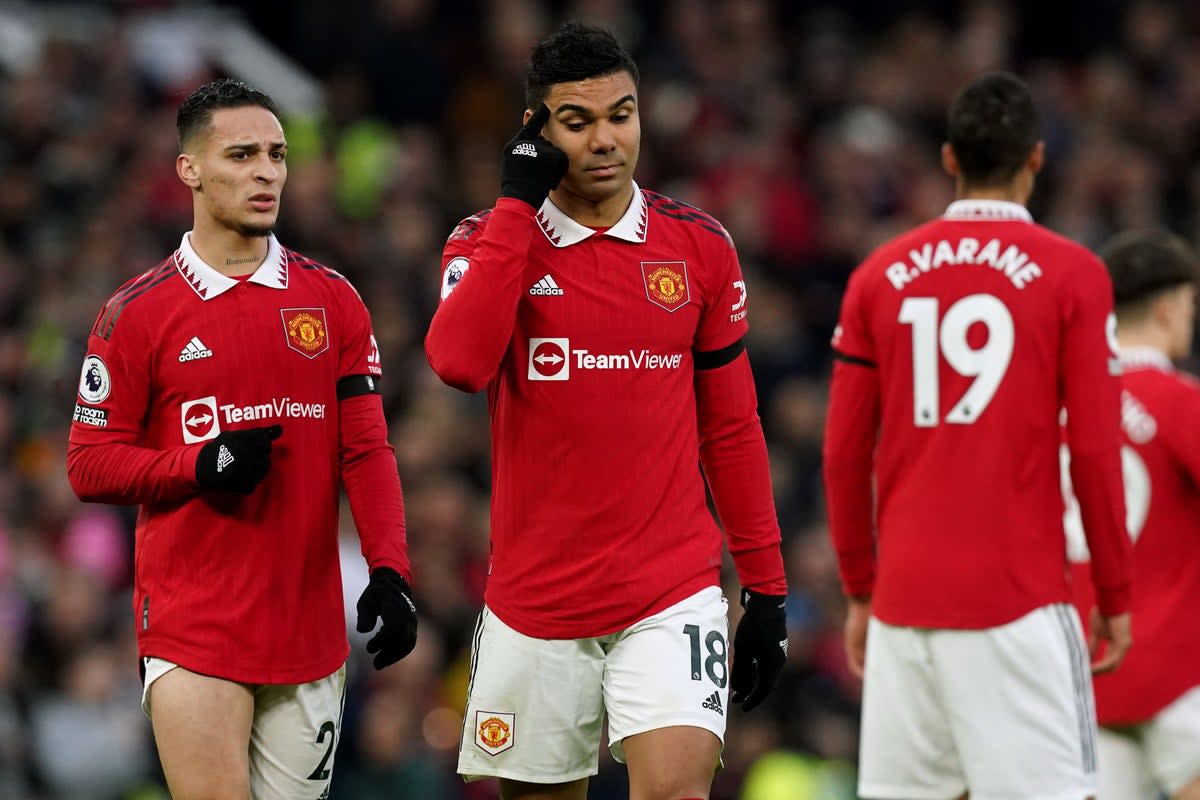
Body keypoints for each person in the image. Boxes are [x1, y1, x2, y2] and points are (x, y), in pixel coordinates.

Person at [425, 21, 788, 800]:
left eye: (620, 115)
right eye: (578, 121)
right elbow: (457, 363)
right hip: (536, 601)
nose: (604, 140)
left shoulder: (698, 248)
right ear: (537, 131)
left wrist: (765, 585)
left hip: (672, 591)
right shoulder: (488, 242)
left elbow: (731, 427)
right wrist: (517, 205)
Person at [66, 78, 418, 800]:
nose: (267, 171)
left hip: (309, 632)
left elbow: (366, 451)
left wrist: (390, 569)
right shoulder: (136, 312)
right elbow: (88, 463)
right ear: (189, 169)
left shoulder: (334, 300)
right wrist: (200, 463)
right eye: (243, 154)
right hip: (192, 626)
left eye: (278, 154)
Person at [822, 71, 1134, 800]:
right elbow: (1093, 449)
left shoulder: (878, 276)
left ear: (949, 159)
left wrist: (862, 590)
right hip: (1017, 604)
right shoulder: (1074, 276)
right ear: (1036, 158)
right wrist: (1114, 594)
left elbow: (841, 455)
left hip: (904, 607)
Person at [1062, 231, 1200, 800]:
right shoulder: (1178, 400)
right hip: (1179, 672)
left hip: (1081, 677)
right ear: (1168, 309)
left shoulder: (1057, 405)